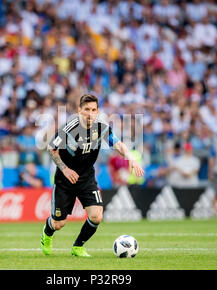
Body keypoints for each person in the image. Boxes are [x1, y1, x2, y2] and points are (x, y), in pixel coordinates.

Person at [40, 94, 144, 257]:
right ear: (79, 110)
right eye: (86, 109)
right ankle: (47, 234)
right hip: (65, 180)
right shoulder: (69, 128)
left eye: (93, 110)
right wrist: (65, 169)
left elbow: (117, 143)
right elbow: (51, 149)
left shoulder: (101, 128)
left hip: (86, 178)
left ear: (97, 111)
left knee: (96, 216)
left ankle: (78, 247)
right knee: (59, 223)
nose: (90, 113)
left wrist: (131, 159)